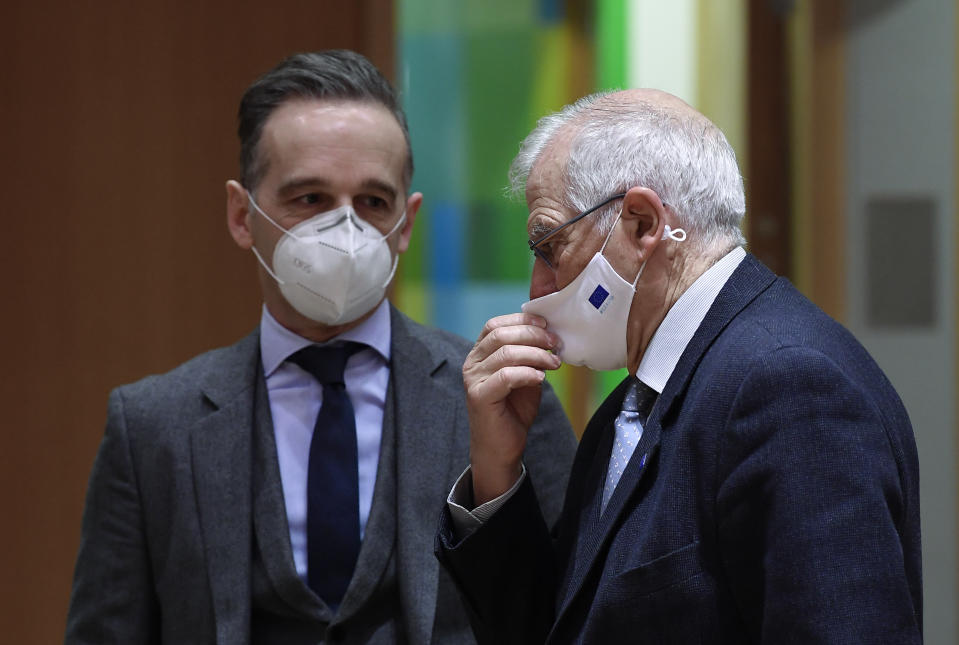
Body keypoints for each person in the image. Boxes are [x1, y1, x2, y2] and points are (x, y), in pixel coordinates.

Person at [65, 50, 577, 645]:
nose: (345, 232)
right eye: (308, 199)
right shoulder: (153, 426)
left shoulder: (505, 398)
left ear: (405, 225)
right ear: (241, 214)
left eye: (373, 202)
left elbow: (569, 613)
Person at [436, 89, 922, 644]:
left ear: (642, 224)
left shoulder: (789, 384)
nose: (537, 288)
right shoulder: (630, 404)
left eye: (549, 246)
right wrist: (496, 469)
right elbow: (558, 628)